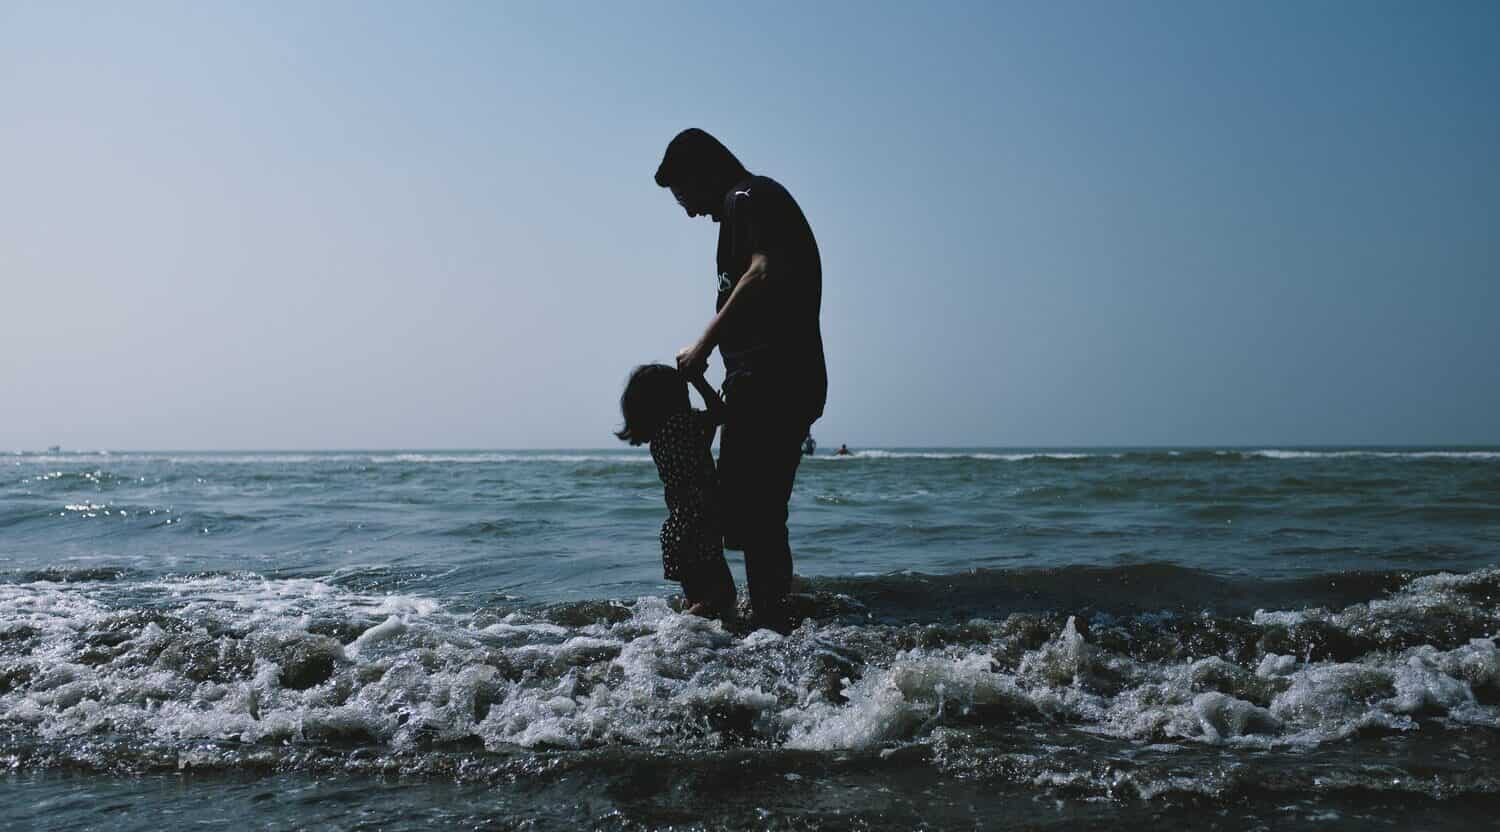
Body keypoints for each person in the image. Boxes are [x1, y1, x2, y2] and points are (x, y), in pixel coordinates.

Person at [654, 128, 827, 632]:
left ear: (703, 171)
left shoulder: (747, 198)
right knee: (749, 516)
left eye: (684, 195)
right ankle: (767, 618)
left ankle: (770, 625)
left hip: (775, 379)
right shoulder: (741, 206)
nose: (688, 212)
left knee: (757, 518)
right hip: (762, 380)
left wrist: (704, 341)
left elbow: (763, 270)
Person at [615, 363, 737, 618]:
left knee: (701, 599)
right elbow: (721, 414)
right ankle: (679, 629)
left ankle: (688, 641)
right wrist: (699, 380)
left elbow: (697, 452)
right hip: (699, 525)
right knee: (723, 596)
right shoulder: (682, 423)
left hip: (680, 529)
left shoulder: (662, 436)